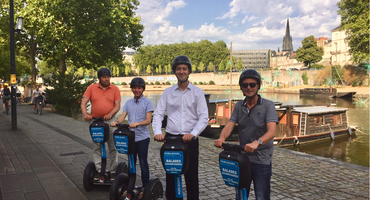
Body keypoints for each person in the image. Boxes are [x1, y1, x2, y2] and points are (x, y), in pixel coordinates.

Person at [214, 69, 278, 200]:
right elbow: (230, 125)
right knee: (241, 195)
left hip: (262, 159)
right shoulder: (239, 106)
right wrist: (222, 137)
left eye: (252, 84)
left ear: (258, 86)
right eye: (245, 85)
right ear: (241, 87)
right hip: (243, 158)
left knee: (261, 196)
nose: (249, 87)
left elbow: (272, 132)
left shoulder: (268, 105)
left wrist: (257, 142)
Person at [153, 55, 208, 200]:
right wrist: (158, 132)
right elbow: (158, 114)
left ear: (189, 71)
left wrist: (193, 133)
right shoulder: (168, 92)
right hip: (171, 139)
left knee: (191, 177)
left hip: (190, 140)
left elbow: (203, 117)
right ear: (175, 72)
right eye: (178, 69)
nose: (181, 71)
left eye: (184, 68)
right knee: (171, 177)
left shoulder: (198, 92)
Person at [110, 77, 153, 197]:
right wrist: (116, 122)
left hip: (142, 138)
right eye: (134, 88)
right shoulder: (128, 103)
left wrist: (137, 124)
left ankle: (145, 188)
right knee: (131, 163)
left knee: (143, 163)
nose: (136, 90)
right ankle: (130, 187)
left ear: (143, 89)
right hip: (131, 138)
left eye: (139, 88)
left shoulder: (147, 102)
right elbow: (122, 116)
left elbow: (148, 120)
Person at [81, 68, 121, 180]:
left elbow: (117, 106)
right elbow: (83, 103)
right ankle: (99, 170)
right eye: (104, 77)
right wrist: (85, 114)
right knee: (97, 147)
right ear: (99, 78)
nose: (106, 79)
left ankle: (113, 171)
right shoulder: (91, 88)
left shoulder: (115, 89)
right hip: (96, 121)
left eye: (108, 77)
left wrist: (109, 114)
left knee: (113, 147)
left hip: (111, 121)